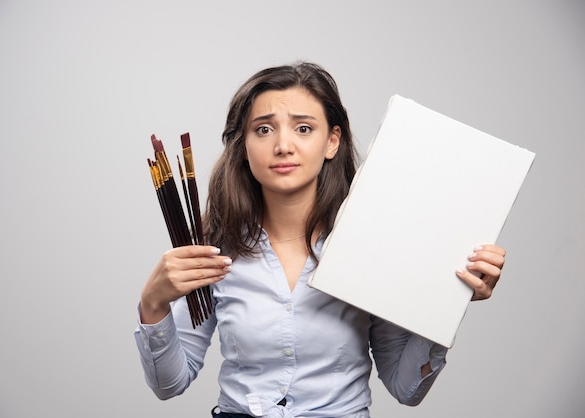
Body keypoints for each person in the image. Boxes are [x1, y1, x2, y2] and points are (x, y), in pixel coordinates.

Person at [134, 62, 506, 418]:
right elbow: (169, 384)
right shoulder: (216, 250)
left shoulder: (371, 246)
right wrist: (153, 303)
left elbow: (405, 388)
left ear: (332, 141)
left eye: (303, 129)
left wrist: (450, 300)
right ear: (244, 146)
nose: (283, 145)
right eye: (263, 129)